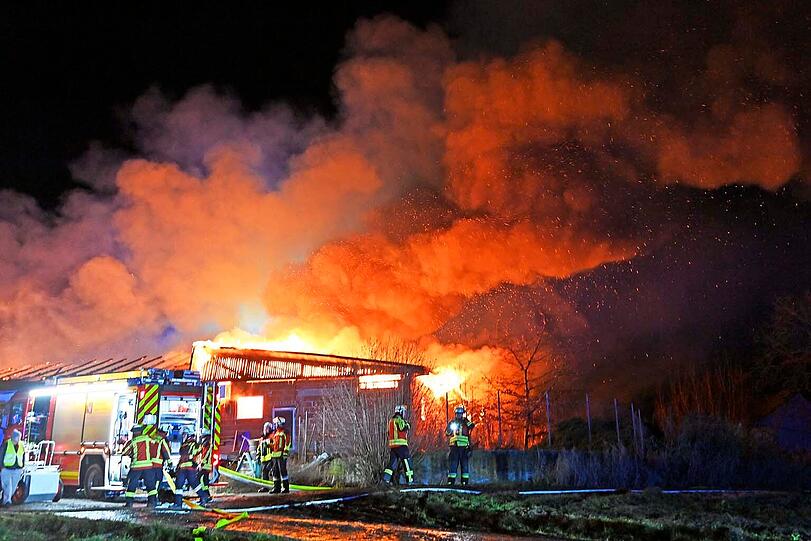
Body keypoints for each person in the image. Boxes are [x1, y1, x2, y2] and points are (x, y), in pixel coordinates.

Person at [121, 424, 160, 507]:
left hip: (136, 467)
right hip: (148, 466)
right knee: (151, 485)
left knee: (132, 485)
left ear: (134, 433)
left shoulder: (132, 441)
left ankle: (129, 503)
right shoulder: (148, 439)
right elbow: (155, 444)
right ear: (141, 431)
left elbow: (124, 452)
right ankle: (152, 502)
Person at [171, 433, 205, 509]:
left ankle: (203, 497)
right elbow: (182, 458)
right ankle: (178, 503)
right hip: (185, 468)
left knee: (184, 484)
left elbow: (198, 454)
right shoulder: (184, 445)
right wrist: (177, 467)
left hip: (189, 468)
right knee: (180, 485)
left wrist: (195, 462)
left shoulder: (195, 445)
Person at [382, 405, 414, 485]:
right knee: (407, 463)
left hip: (393, 447)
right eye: (403, 412)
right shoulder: (399, 419)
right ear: (400, 411)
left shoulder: (390, 421)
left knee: (392, 464)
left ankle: (385, 480)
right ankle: (410, 481)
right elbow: (402, 427)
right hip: (401, 446)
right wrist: (407, 425)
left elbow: (389, 433)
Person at [446, 405, 475, 485]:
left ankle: (464, 483)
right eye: (458, 414)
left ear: (463, 414)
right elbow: (447, 433)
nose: (459, 415)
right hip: (454, 447)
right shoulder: (452, 422)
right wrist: (450, 429)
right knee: (453, 465)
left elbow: (472, 426)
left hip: (464, 448)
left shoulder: (466, 422)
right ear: (455, 414)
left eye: (461, 414)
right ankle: (450, 483)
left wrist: (466, 421)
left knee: (464, 465)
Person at [0, 429, 25, 507]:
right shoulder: (6, 444)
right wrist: (2, 467)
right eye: (17, 437)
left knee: (13, 486)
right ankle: (7, 501)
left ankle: (5, 500)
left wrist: (23, 465)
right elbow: (1, 455)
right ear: (13, 438)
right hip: (6, 468)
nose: (18, 439)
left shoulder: (21, 445)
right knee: (8, 485)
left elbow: (23, 455)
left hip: (17, 469)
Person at [269, 417, 291, 494]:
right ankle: (276, 488)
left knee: (283, 471)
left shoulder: (285, 432)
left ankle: (285, 488)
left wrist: (285, 453)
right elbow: (275, 444)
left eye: (276, 424)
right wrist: (269, 445)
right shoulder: (275, 433)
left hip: (281, 455)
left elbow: (287, 443)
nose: (275, 425)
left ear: (280, 424)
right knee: (275, 472)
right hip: (274, 455)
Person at [197, 432, 213, 504]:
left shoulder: (208, 446)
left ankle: (204, 496)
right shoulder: (204, 445)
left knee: (200, 480)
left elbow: (205, 455)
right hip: (204, 466)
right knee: (204, 482)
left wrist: (201, 464)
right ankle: (206, 496)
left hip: (205, 466)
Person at [257, 421, 273, 492]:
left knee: (273, 473)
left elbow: (274, 448)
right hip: (263, 460)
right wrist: (257, 457)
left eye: (268, 428)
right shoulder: (262, 438)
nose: (266, 430)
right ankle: (265, 487)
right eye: (265, 428)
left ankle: (275, 487)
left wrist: (273, 458)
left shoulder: (272, 437)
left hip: (271, 459)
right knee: (264, 474)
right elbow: (259, 448)